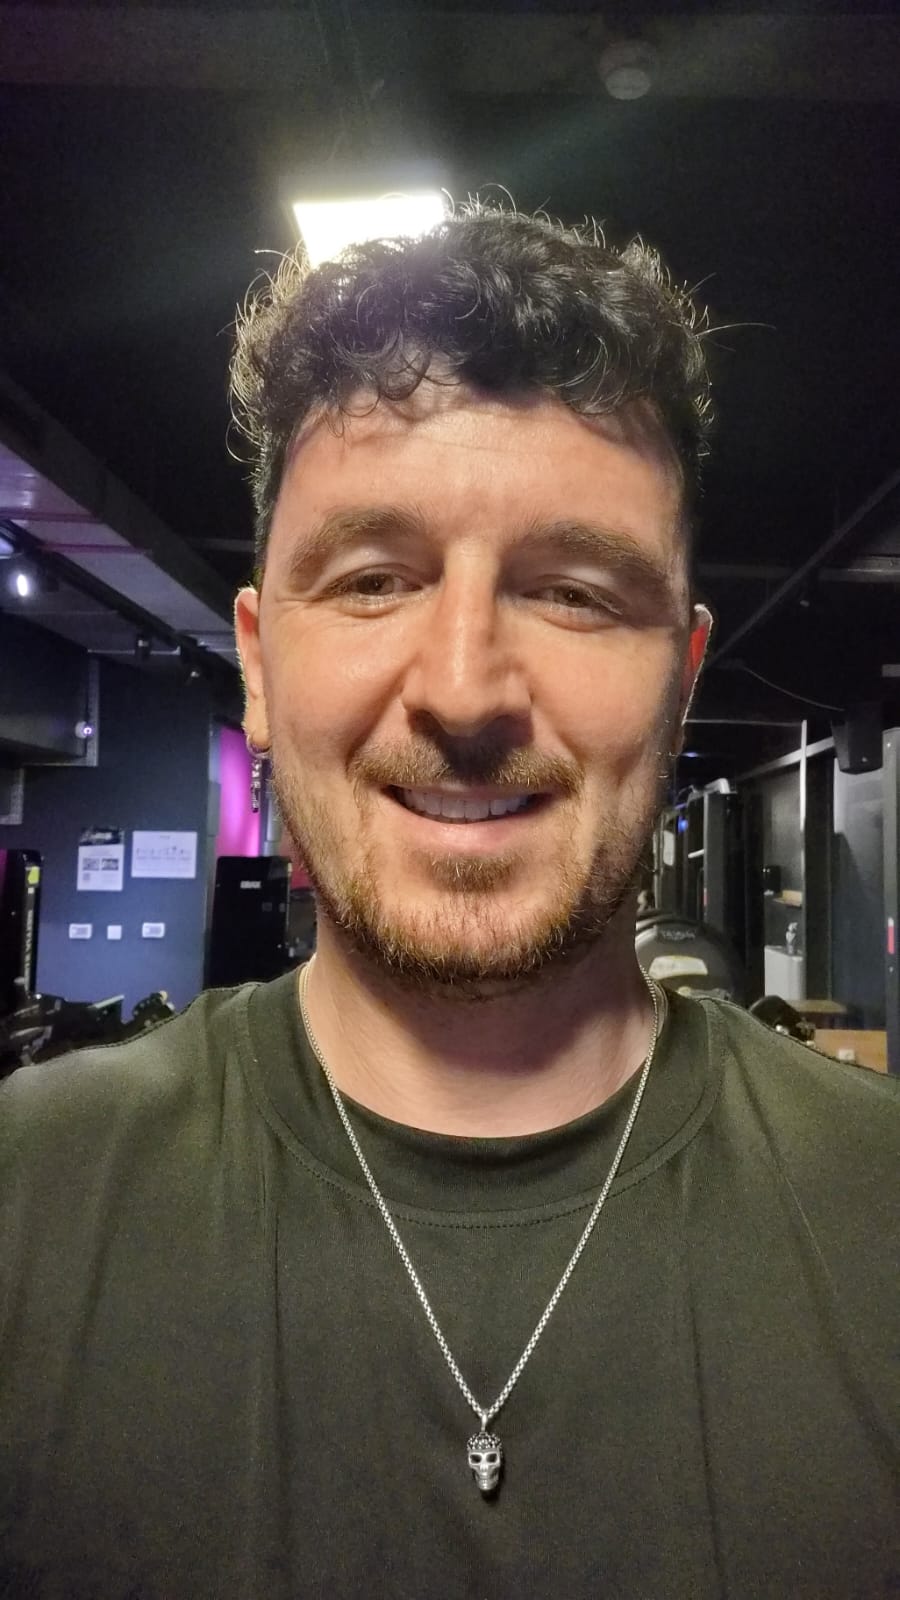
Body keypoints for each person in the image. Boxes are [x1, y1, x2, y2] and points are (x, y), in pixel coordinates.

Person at [1, 204, 897, 1600]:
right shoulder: (26, 1207)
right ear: (259, 664)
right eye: (373, 581)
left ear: (683, 681)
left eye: (575, 594)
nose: (465, 689)